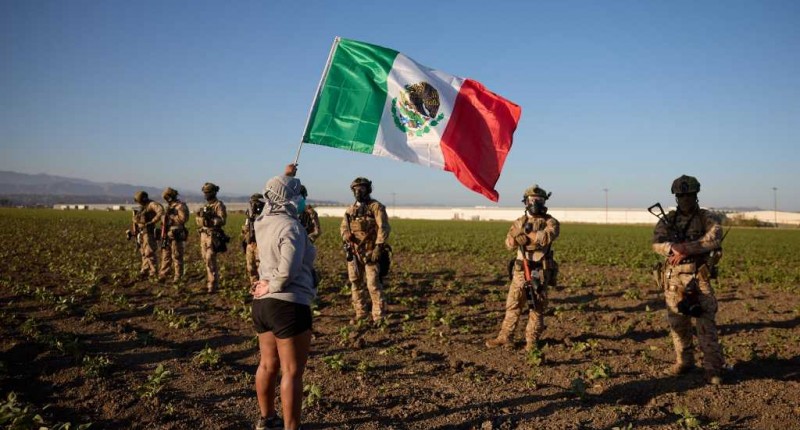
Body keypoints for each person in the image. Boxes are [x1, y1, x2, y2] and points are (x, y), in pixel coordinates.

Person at [251, 174, 316, 430]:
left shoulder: (262, 222)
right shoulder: (291, 227)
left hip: (262, 305)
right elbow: (288, 270)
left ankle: (267, 419)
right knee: (291, 371)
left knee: (267, 364)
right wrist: (274, 284)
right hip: (288, 304)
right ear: (289, 198)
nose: (301, 199)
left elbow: (276, 191)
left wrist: (287, 174)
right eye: (297, 194)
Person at [652, 175, 725, 385]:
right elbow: (657, 243)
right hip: (673, 279)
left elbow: (714, 237)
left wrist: (686, 249)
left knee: (706, 325)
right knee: (678, 324)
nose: (685, 199)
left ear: (696, 195)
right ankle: (684, 362)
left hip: (698, 278)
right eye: (681, 195)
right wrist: (672, 248)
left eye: (689, 195)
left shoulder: (705, 217)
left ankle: (712, 368)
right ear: (676, 197)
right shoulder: (668, 219)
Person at [486, 185, 560, 352]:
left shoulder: (551, 222)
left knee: (536, 307)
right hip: (520, 270)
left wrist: (526, 235)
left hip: (539, 271)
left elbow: (545, 238)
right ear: (526, 202)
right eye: (532, 200)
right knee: (513, 304)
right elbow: (508, 243)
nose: (535, 203)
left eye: (539, 200)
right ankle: (505, 337)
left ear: (544, 202)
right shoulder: (519, 222)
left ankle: (531, 341)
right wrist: (514, 239)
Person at [340, 177, 391, 326]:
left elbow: (384, 227)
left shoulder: (376, 207)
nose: (358, 191)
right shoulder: (350, 210)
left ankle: (379, 317)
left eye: (362, 188)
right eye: (355, 189)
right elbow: (343, 227)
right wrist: (346, 235)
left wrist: (378, 247)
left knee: (373, 284)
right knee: (355, 283)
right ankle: (361, 314)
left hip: (371, 252)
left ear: (368, 189)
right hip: (355, 253)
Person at [195, 182, 228, 293]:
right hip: (203, 235)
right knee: (205, 259)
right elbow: (199, 222)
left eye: (208, 192)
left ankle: (212, 284)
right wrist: (200, 218)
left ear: (213, 192)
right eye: (205, 192)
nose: (206, 194)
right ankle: (211, 281)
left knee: (210, 259)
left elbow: (222, 220)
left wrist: (211, 219)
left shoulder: (219, 205)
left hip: (212, 236)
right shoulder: (205, 206)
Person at [158, 187, 190, 283]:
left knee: (176, 255)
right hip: (167, 233)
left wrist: (172, 218)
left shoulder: (180, 206)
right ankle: (163, 275)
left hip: (176, 234)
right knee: (165, 255)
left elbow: (183, 219)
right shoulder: (169, 207)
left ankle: (178, 276)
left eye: (166, 197)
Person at [131, 191, 164, 280]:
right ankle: (145, 270)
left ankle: (153, 272)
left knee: (149, 252)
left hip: (148, 232)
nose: (139, 203)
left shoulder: (152, 204)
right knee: (143, 253)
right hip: (141, 232)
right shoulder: (142, 207)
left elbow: (161, 211)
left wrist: (152, 222)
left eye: (139, 201)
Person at [242, 193, 266, 284]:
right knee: (250, 268)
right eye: (252, 203)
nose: (253, 205)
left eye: (256, 203)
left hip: (260, 245)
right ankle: (254, 286)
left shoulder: (265, 215)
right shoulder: (249, 216)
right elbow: (245, 229)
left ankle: (261, 286)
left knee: (261, 269)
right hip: (250, 244)